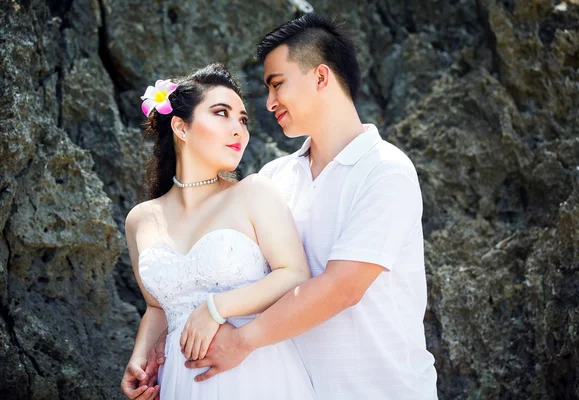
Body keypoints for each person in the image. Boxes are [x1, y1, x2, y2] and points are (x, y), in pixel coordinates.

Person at [178, 13, 439, 399]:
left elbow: (342, 287)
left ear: (320, 77)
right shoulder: (273, 177)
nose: (268, 103)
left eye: (277, 85)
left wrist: (242, 341)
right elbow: (243, 280)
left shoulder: (386, 170)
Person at [120, 63, 316, 400]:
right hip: (179, 381)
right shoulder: (140, 219)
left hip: (254, 373)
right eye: (221, 113)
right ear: (181, 127)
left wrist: (217, 307)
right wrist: (138, 359)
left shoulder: (254, 192)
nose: (238, 129)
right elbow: (157, 309)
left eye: (242, 120)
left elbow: (295, 274)